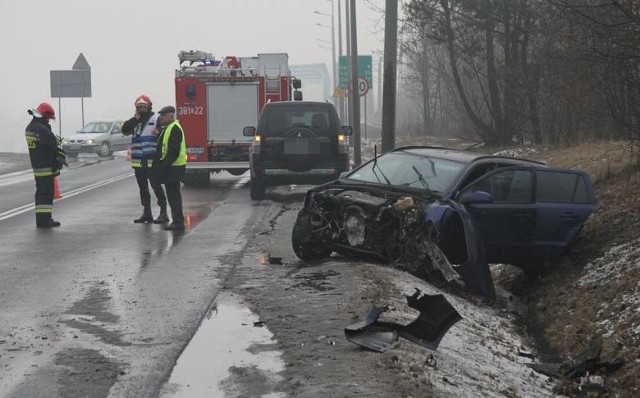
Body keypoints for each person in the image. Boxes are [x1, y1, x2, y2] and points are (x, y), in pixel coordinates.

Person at [121, 95, 169, 224]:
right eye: (138, 107)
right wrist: (134, 120)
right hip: (138, 159)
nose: (140, 109)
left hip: (151, 158)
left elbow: (166, 128)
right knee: (143, 188)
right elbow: (124, 130)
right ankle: (147, 212)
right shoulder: (135, 121)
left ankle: (163, 212)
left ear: (149, 106)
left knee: (156, 186)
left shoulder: (156, 118)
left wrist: (159, 130)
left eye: (143, 106)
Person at [25, 102, 67, 228]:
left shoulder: (31, 127)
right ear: (44, 116)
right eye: (48, 118)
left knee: (40, 192)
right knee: (46, 193)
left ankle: (41, 219)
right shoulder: (41, 129)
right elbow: (52, 144)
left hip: (37, 165)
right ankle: (45, 220)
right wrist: (58, 156)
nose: (49, 121)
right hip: (45, 165)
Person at [153, 105, 187, 231]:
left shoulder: (174, 128)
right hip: (172, 167)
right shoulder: (168, 128)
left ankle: (178, 222)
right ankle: (177, 220)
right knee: (173, 195)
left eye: (163, 115)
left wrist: (163, 166)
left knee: (174, 196)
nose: (161, 117)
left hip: (174, 168)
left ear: (171, 116)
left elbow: (173, 151)